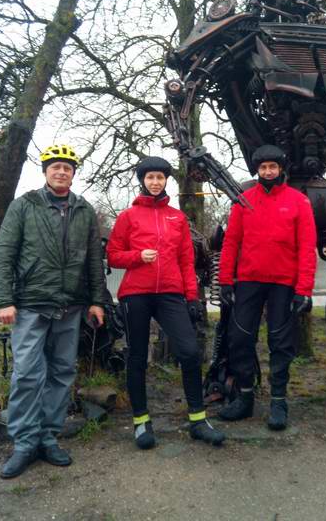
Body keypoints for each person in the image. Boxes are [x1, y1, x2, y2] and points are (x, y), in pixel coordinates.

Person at [0, 144, 108, 479]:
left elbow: (94, 262)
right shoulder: (25, 205)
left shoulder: (84, 210)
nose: (61, 172)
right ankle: (24, 443)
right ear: (45, 171)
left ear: (74, 174)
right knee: (28, 374)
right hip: (30, 303)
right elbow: (3, 252)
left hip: (70, 305)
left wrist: (97, 301)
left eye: (68, 168)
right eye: (56, 166)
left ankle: (48, 436)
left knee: (61, 373)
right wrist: (4, 300)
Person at [106, 156, 225, 449]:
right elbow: (113, 254)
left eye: (160, 177)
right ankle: (141, 422)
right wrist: (137, 256)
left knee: (188, 351)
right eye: (150, 178)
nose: (155, 182)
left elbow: (187, 260)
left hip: (170, 293)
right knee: (136, 356)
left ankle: (198, 419)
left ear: (166, 180)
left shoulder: (177, 217)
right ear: (142, 181)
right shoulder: (128, 217)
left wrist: (193, 297)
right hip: (135, 294)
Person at [217, 145, 317, 430]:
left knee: (281, 343)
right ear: (257, 170)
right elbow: (231, 242)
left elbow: (307, 247)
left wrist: (304, 289)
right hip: (249, 280)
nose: (268, 172)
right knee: (240, 339)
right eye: (263, 168)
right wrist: (225, 280)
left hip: (283, 283)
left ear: (281, 169)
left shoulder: (299, 202)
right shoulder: (243, 201)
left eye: (273, 167)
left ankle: (278, 401)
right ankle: (245, 398)